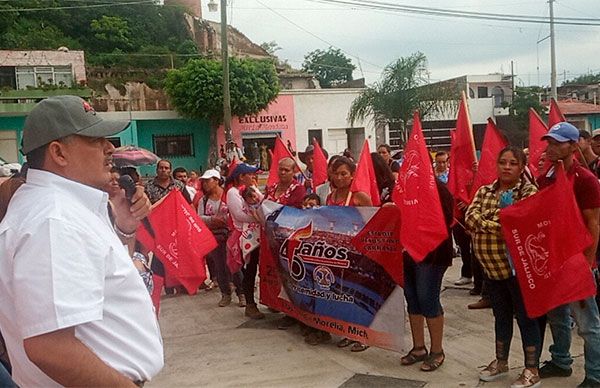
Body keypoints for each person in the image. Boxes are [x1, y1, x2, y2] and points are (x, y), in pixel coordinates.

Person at [0, 95, 163, 385]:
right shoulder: (54, 220)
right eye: (93, 139)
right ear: (59, 153)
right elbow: (49, 348)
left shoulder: (62, 209)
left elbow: (100, 284)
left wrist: (125, 228)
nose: (109, 147)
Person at [465, 146, 540, 388]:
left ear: (521, 167)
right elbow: (469, 216)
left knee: (526, 319)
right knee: (501, 317)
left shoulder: (528, 192)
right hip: (491, 269)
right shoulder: (484, 190)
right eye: (503, 162)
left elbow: (517, 223)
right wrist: (499, 217)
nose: (507, 167)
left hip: (518, 270)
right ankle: (501, 362)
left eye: (513, 163)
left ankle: (531, 369)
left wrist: (488, 221)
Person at [536, 122, 600, 388]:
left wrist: (587, 262)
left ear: (573, 146)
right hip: (553, 259)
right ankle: (561, 361)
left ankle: (595, 375)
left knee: (587, 323)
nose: (550, 146)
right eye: (549, 141)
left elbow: (594, 224)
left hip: (577, 261)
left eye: (557, 142)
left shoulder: (586, 180)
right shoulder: (547, 178)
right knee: (557, 315)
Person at [401, 179, 453, 372]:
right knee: (412, 298)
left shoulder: (438, 189)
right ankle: (418, 347)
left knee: (428, 298)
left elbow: (445, 220)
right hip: (407, 252)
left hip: (432, 255)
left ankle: (437, 351)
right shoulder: (403, 188)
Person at [326, 156, 372, 351]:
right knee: (341, 293)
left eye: (344, 173)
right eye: (336, 174)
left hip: (358, 253)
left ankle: (363, 335)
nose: (339, 177)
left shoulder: (359, 196)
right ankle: (348, 331)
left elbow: (373, 222)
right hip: (338, 253)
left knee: (357, 294)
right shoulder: (331, 196)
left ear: (352, 175)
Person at [198, 169, 244, 308]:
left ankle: (241, 293)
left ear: (217, 180)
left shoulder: (229, 195)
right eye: (203, 181)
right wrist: (212, 219)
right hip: (215, 236)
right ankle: (225, 294)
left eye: (208, 180)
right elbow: (199, 217)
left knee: (234, 265)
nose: (205, 184)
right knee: (219, 266)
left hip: (231, 234)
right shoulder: (203, 200)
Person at [145, 159, 192, 294]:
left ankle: (181, 284)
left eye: (166, 168)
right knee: (161, 256)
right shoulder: (149, 187)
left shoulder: (178, 186)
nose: (163, 170)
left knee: (178, 256)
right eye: (161, 168)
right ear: (157, 170)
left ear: (170, 170)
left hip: (177, 227)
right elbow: (147, 208)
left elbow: (188, 205)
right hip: (158, 228)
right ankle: (166, 285)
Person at [226, 163, 265, 319]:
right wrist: (259, 217)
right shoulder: (232, 193)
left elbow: (263, 203)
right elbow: (239, 215)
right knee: (250, 271)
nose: (254, 177)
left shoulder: (253, 189)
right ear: (241, 176)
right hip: (246, 237)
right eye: (250, 174)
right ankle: (250, 303)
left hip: (259, 234)